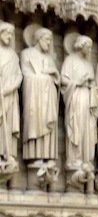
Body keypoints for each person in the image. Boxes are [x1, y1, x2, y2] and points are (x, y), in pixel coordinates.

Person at [61, 34, 98, 175]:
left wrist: (92, 85)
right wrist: (78, 82)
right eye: (88, 47)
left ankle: (86, 159)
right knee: (75, 126)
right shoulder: (70, 60)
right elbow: (63, 80)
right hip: (75, 97)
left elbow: (93, 82)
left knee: (87, 128)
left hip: (87, 98)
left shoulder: (89, 64)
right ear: (80, 46)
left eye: (91, 47)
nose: (90, 50)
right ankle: (74, 159)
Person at [21, 26, 60, 162]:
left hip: (48, 97)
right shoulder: (26, 53)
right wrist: (45, 77)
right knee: (34, 121)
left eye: (50, 40)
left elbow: (57, 80)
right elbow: (26, 75)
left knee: (48, 123)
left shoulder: (49, 58)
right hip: (34, 96)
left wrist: (54, 75)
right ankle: (34, 156)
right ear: (38, 39)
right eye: (47, 39)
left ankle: (47, 156)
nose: (49, 43)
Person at [0, 22, 21, 167]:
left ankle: (8, 154)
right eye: (7, 33)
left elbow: (19, 75)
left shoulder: (13, 55)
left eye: (11, 34)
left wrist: (12, 87)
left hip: (11, 94)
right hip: (0, 93)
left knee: (8, 124)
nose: (10, 36)